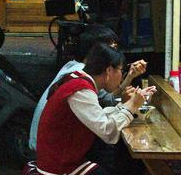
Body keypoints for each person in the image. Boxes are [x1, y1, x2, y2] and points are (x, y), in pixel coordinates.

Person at [36, 41, 155, 175]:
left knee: (125, 164)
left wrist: (126, 107)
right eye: (120, 70)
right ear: (108, 71)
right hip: (60, 161)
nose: (121, 76)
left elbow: (98, 116)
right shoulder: (80, 89)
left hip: (70, 151)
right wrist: (131, 106)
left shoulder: (79, 80)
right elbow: (107, 131)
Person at [28, 24, 147, 154]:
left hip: (51, 145)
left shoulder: (77, 69)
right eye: (110, 47)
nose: (114, 52)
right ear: (96, 52)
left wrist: (128, 78)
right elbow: (108, 128)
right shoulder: (81, 82)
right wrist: (130, 106)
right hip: (51, 153)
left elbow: (106, 100)